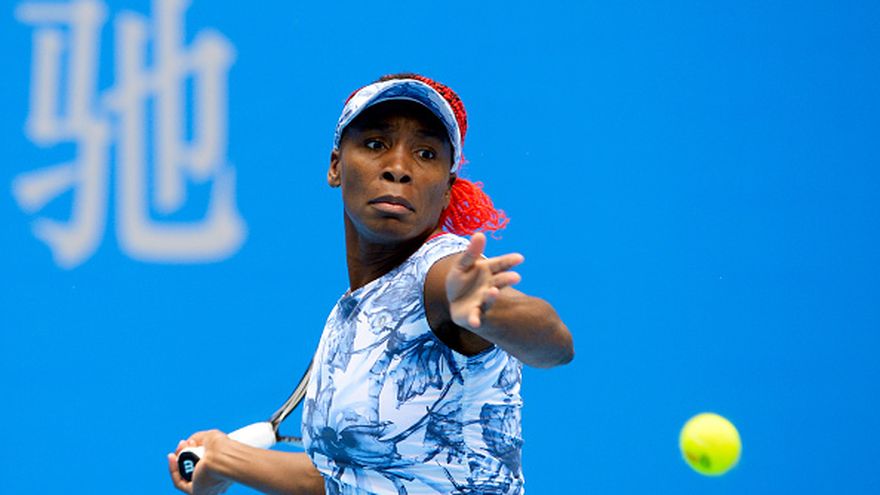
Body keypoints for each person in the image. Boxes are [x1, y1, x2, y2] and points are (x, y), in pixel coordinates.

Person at [168, 73, 574, 495]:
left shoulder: (441, 274)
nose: (398, 169)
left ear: (447, 189)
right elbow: (346, 479)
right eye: (376, 144)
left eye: (426, 153)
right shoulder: (353, 312)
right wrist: (226, 459)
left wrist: (489, 311)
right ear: (336, 166)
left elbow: (556, 345)